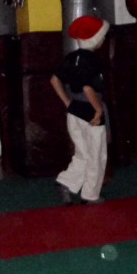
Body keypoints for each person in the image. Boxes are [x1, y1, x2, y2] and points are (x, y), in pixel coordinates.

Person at [50, 15, 110, 205]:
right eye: (102, 36)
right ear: (95, 38)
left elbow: (54, 80)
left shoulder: (71, 57)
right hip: (90, 112)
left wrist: (67, 102)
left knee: (82, 153)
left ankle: (66, 182)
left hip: (74, 110)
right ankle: (90, 194)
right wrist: (98, 110)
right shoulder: (93, 60)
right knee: (97, 155)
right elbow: (87, 87)